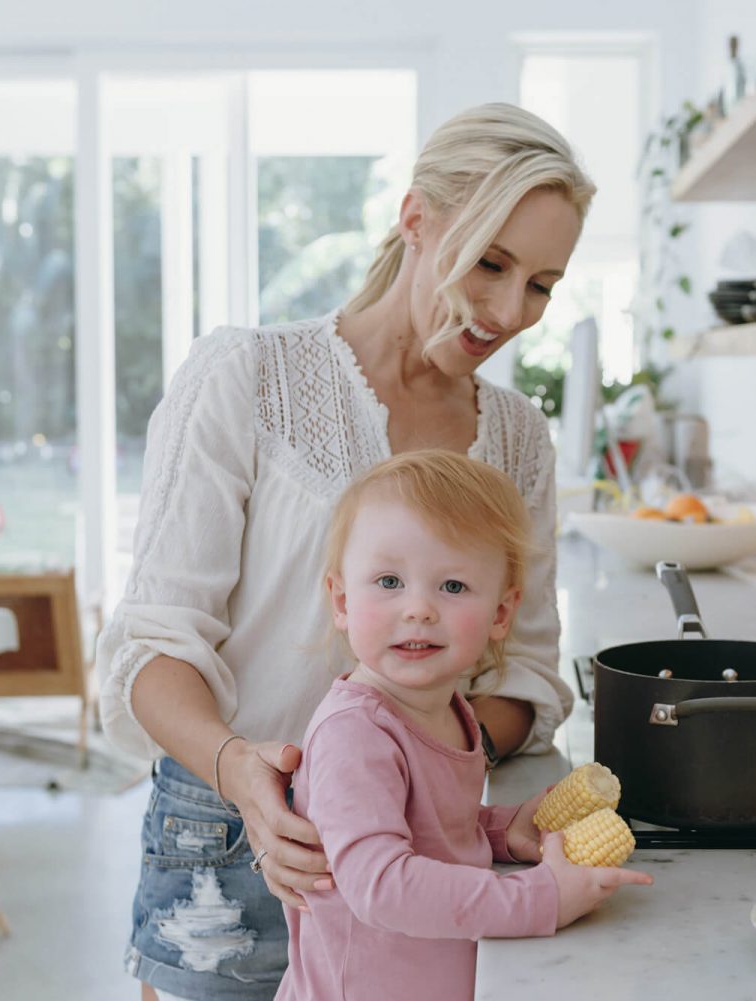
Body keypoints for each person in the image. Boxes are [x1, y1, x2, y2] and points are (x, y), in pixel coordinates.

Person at [96, 102, 591, 1001]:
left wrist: (424, 769)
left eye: (542, 284)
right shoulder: (246, 377)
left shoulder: (518, 437)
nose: (511, 310)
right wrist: (241, 770)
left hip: (427, 857)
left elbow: (526, 677)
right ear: (416, 220)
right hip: (239, 838)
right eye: (490, 262)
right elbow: (152, 648)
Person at [276, 450, 652, 1000]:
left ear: (502, 614)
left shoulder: (445, 707)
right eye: (388, 580)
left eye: (452, 586)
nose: (419, 608)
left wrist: (501, 829)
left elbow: (429, 827)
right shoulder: (354, 735)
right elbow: (381, 885)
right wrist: (541, 898)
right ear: (341, 600)